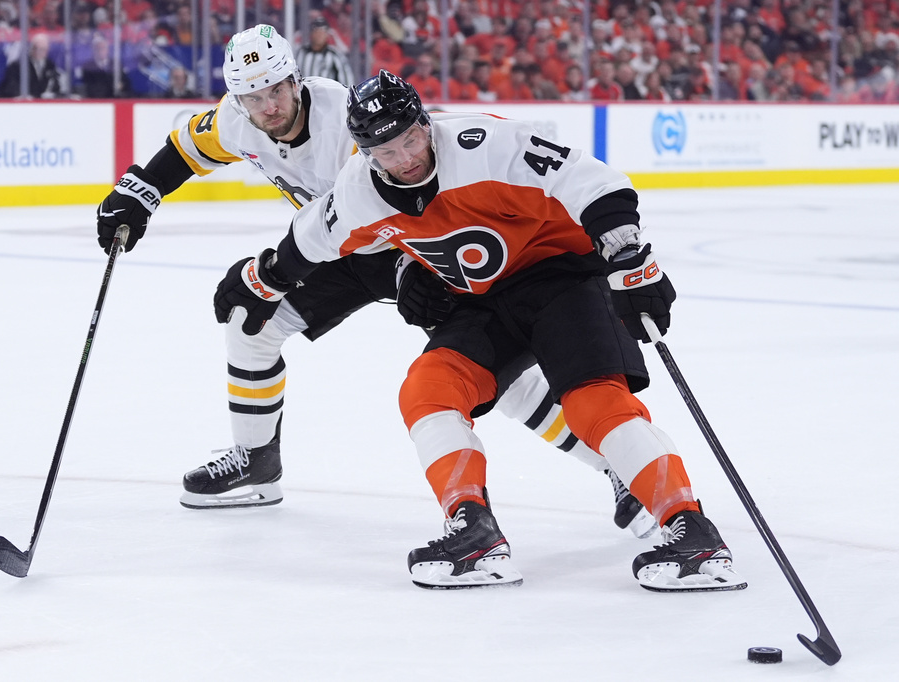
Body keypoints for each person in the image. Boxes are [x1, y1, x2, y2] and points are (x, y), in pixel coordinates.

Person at [95, 25, 655, 539]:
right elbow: (185, 150)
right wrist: (138, 192)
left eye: (278, 89)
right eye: (254, 96)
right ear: (237, 98)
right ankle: (257, 462)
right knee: (251, 322)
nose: (269, 106)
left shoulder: (345, 120)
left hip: (412, 244)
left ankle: (620, 466)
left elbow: (412, 194)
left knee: (495, 376)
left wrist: (412, 268)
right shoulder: (236, 119)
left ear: (296, 79)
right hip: (334, 249)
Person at [211, 70, 746, 592]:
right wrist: (260, 280)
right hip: (485, 300)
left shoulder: (484, 143)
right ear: (366, 154)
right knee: (428, 390)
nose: (406, 158)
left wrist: (629, 258)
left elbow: (593, 181)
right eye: (387, 152)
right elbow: (306, 243)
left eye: (411, 139)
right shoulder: (357, 191)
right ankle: (474, 533)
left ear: (425, 123)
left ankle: (691, 530)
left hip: (564, 277)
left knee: (592, 403)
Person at [295, 15, 354, 86]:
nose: (319, 35)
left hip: (327, 92)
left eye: (322, 32)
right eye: (316, 31)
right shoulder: (300, 53)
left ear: (327, 35)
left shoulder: (335, 55)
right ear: (311, 33)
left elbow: (346, 80)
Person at [0, 33, 64, 98]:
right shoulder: (18, 66)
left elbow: (56, 86)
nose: (38, 52)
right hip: (24, 102)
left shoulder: (51, 66)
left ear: (47, 50)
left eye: (42, 49)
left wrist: (51, 94)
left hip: (44, 102)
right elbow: (11, 86)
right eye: (36, 48)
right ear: (31, 48)